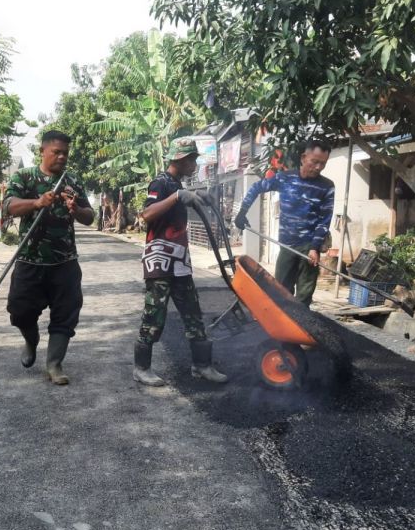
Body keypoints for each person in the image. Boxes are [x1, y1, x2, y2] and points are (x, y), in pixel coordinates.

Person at [133, 138, 228, 387]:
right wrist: (176, 197)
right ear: (181, 159)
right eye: (192, 160)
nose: (195, 164)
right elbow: (147, 214)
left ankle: (202, 365)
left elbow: (179, 201)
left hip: (179, 262)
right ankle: (141, 368)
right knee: (154, 316)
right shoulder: (161, 183)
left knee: (193, 314)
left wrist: (195, 196)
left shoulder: (176, 184)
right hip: (159, 262)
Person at [4, 130, 95, 385]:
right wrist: (36, 203)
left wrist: (76, 210)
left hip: (64, 262)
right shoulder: (25, 176)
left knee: (66, 314)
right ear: (42, 151)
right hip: (30, 260)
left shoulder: (72, 181)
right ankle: (31, 341)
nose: (62, 157)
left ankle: (54, 364)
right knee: (20, 311)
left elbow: (90, 216)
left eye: (65, 153)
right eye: (56, 152)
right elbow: (9, 205)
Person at [234, 139, 335, 307]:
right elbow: (256, 187)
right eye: (314, 161)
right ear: (303, 158)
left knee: (304, 298)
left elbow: (325, 220)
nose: (318, 167)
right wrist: (242, 212)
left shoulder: (327, 186)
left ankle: (301, 323)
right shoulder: (285, 178)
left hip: (309, 247)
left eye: (323, 163)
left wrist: (314, 247)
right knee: (281, 292)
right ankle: (281, 323)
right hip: (286, 245)